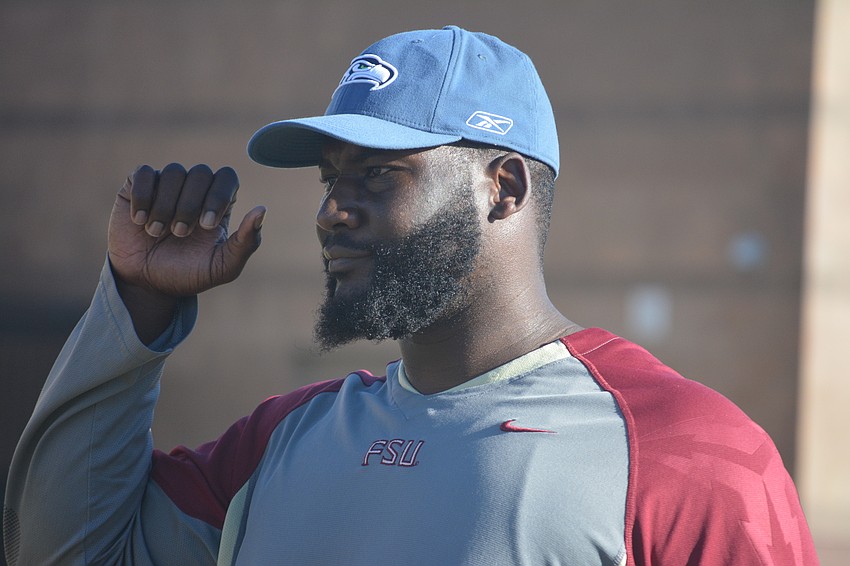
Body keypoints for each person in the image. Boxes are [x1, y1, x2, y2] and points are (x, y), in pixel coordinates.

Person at [3, 25, 817, 565]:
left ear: (502, 188)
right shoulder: (280, 442)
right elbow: (65, 551)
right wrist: (136, 303)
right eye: (330, 178)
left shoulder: (686, 453)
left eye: (378, 174)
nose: (331, 209)